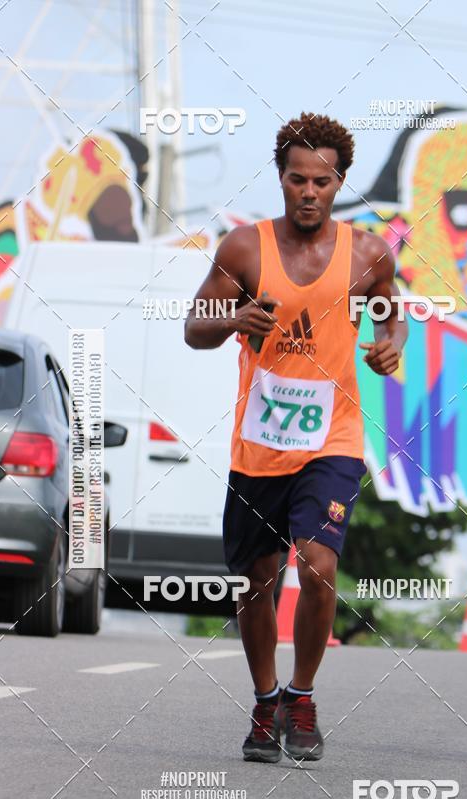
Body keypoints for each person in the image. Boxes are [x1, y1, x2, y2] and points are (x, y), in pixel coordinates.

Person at [185, 112, 407, 762]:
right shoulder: (243, 250)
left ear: (340, 183)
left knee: (317, 564)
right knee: (257, 580)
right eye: (297, 180)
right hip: (259, 443)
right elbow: (195, 327)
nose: (309, 193)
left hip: (333, 438)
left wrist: (390, 345)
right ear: (280, 178)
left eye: (322, 182)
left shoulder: (367, 254)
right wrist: (231, 319)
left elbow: (392, 316)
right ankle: (265, 702)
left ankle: (301, 696)